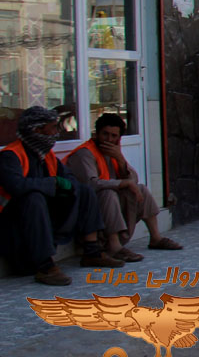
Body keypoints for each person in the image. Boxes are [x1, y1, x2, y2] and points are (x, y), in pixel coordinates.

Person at [0, 106, 124, 286]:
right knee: (33, 197)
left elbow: (69, 179)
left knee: (84, 191)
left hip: (44, 217)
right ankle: (45, 266)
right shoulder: (10, 155)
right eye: (53, 127)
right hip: (14, 226)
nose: (57, 131)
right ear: (37, 129)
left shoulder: (46, 155)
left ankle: (92, 251)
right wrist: (52, 183)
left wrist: (64, 185)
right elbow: (17, 186)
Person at [65, 114, 182, 262]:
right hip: (88, 214)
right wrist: (122, 183)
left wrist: (120, 159)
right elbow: (91, 184)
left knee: (141, 189)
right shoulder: (84, 154)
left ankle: (155, 238)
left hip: (108, 208)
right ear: (96, 134)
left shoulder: (113, 153)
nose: (109, 139)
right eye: (105, 134)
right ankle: (114, 247)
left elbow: (133, 179)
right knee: (109, 193)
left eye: (114, 136)